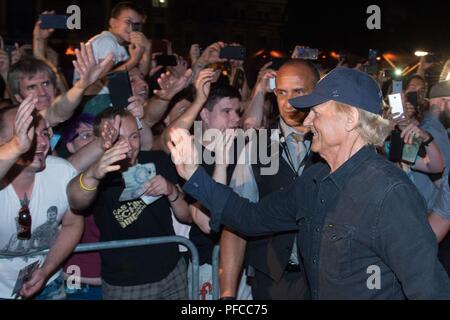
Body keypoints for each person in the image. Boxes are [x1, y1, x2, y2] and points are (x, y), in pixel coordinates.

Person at [169, 67, 450, 299]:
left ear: (350, 119)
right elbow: (249, 217)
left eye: (317, 111)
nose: (309, 119)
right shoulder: (314, 180)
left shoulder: (391, 193)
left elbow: (428, 289)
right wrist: (195, 176)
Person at [220, 59, 320, 300]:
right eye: (281, 92)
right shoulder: (257, 146)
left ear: (316, 92)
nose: (288, 102)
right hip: (272, 281)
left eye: (298, 92)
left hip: (325, 277)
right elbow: (235, 221)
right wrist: (227, 295)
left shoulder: (332, 145)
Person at [67, 108, 191, 299]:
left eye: (134, 137)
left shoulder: (157, 161)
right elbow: (76, 201)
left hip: (172, 272)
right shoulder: (99, 175)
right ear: (102, 142)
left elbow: (188, 216)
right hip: (126, 283)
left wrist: (171, 190)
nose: (129, 145)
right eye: (119, 139)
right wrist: (94, 174)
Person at [0, 98, 83, 299]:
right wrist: (19, 146)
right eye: (27, 133)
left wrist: (46, 270)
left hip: (48, 283)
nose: (42, 142)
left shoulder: (61, 171)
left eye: (44, 133)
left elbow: (72, 225)